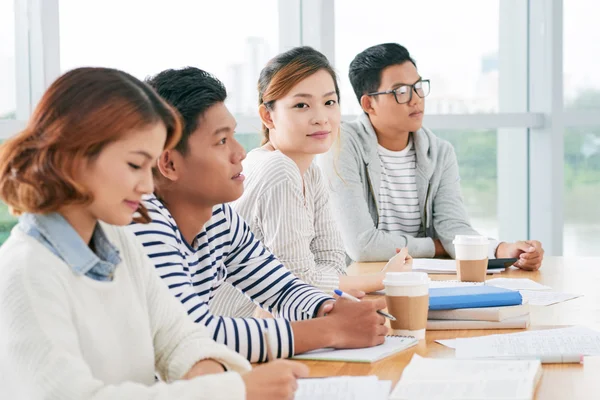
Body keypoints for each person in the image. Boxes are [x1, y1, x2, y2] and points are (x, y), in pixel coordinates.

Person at [0, 67, 310, 400]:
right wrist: (232, 390)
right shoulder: (27, 272)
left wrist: (219, 379)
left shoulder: (115, 240)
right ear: (75, 157)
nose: (147, 186)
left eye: (149, 167)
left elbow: (177, 337)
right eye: (135, 165)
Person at [127, 66, 388, 364]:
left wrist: (327, 308)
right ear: (169, 164)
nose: (240, 152)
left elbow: (281, 287)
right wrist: (329, 331)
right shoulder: (144, 223)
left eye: (233, 136)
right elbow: (194, 333)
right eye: (221, 141)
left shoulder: (219, 217)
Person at [218, 46, 413, 320]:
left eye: (330, 102)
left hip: (278, 326)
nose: (321, 117)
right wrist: (382, 278)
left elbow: (332, 263)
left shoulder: (309, 169)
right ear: (267, 115)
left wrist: (332, 286)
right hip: (241, 336)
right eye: (301, 105)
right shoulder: (277, 169)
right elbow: (299, 282)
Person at [317, 43, 544, 270]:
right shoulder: (341, 145)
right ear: (369, 104)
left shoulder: (440, 153)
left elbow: (453, 228)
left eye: (418, 87)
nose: (415, 99)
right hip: (360, 283)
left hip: (424, 278)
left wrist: (502, 249)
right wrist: (435, 247)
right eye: (401, 92)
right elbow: (362, 246)